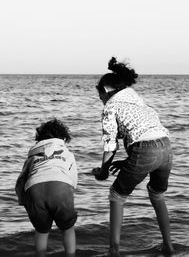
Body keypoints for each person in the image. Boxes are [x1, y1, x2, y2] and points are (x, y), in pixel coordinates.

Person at [92, 57, 174, 256]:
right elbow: (143, 133)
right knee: (157, 194)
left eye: (100, 95)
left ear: (107, 91)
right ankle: (168, 245)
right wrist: (128, 161)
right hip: (166, 146)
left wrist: (103, 172)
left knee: (117, 194)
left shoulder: (111, 107)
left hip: (145, 149)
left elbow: (111, 144)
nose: (100, 99)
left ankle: (114, 250)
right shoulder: (137, 100)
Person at [15, 118, 78, 257]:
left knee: (41, 231)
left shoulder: (33, 155)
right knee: (67, 228)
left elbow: (21, 180)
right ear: (63, 138)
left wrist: (22, 199)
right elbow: (73, 179)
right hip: (61, 188)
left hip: (35, 189)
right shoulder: (67, 153)